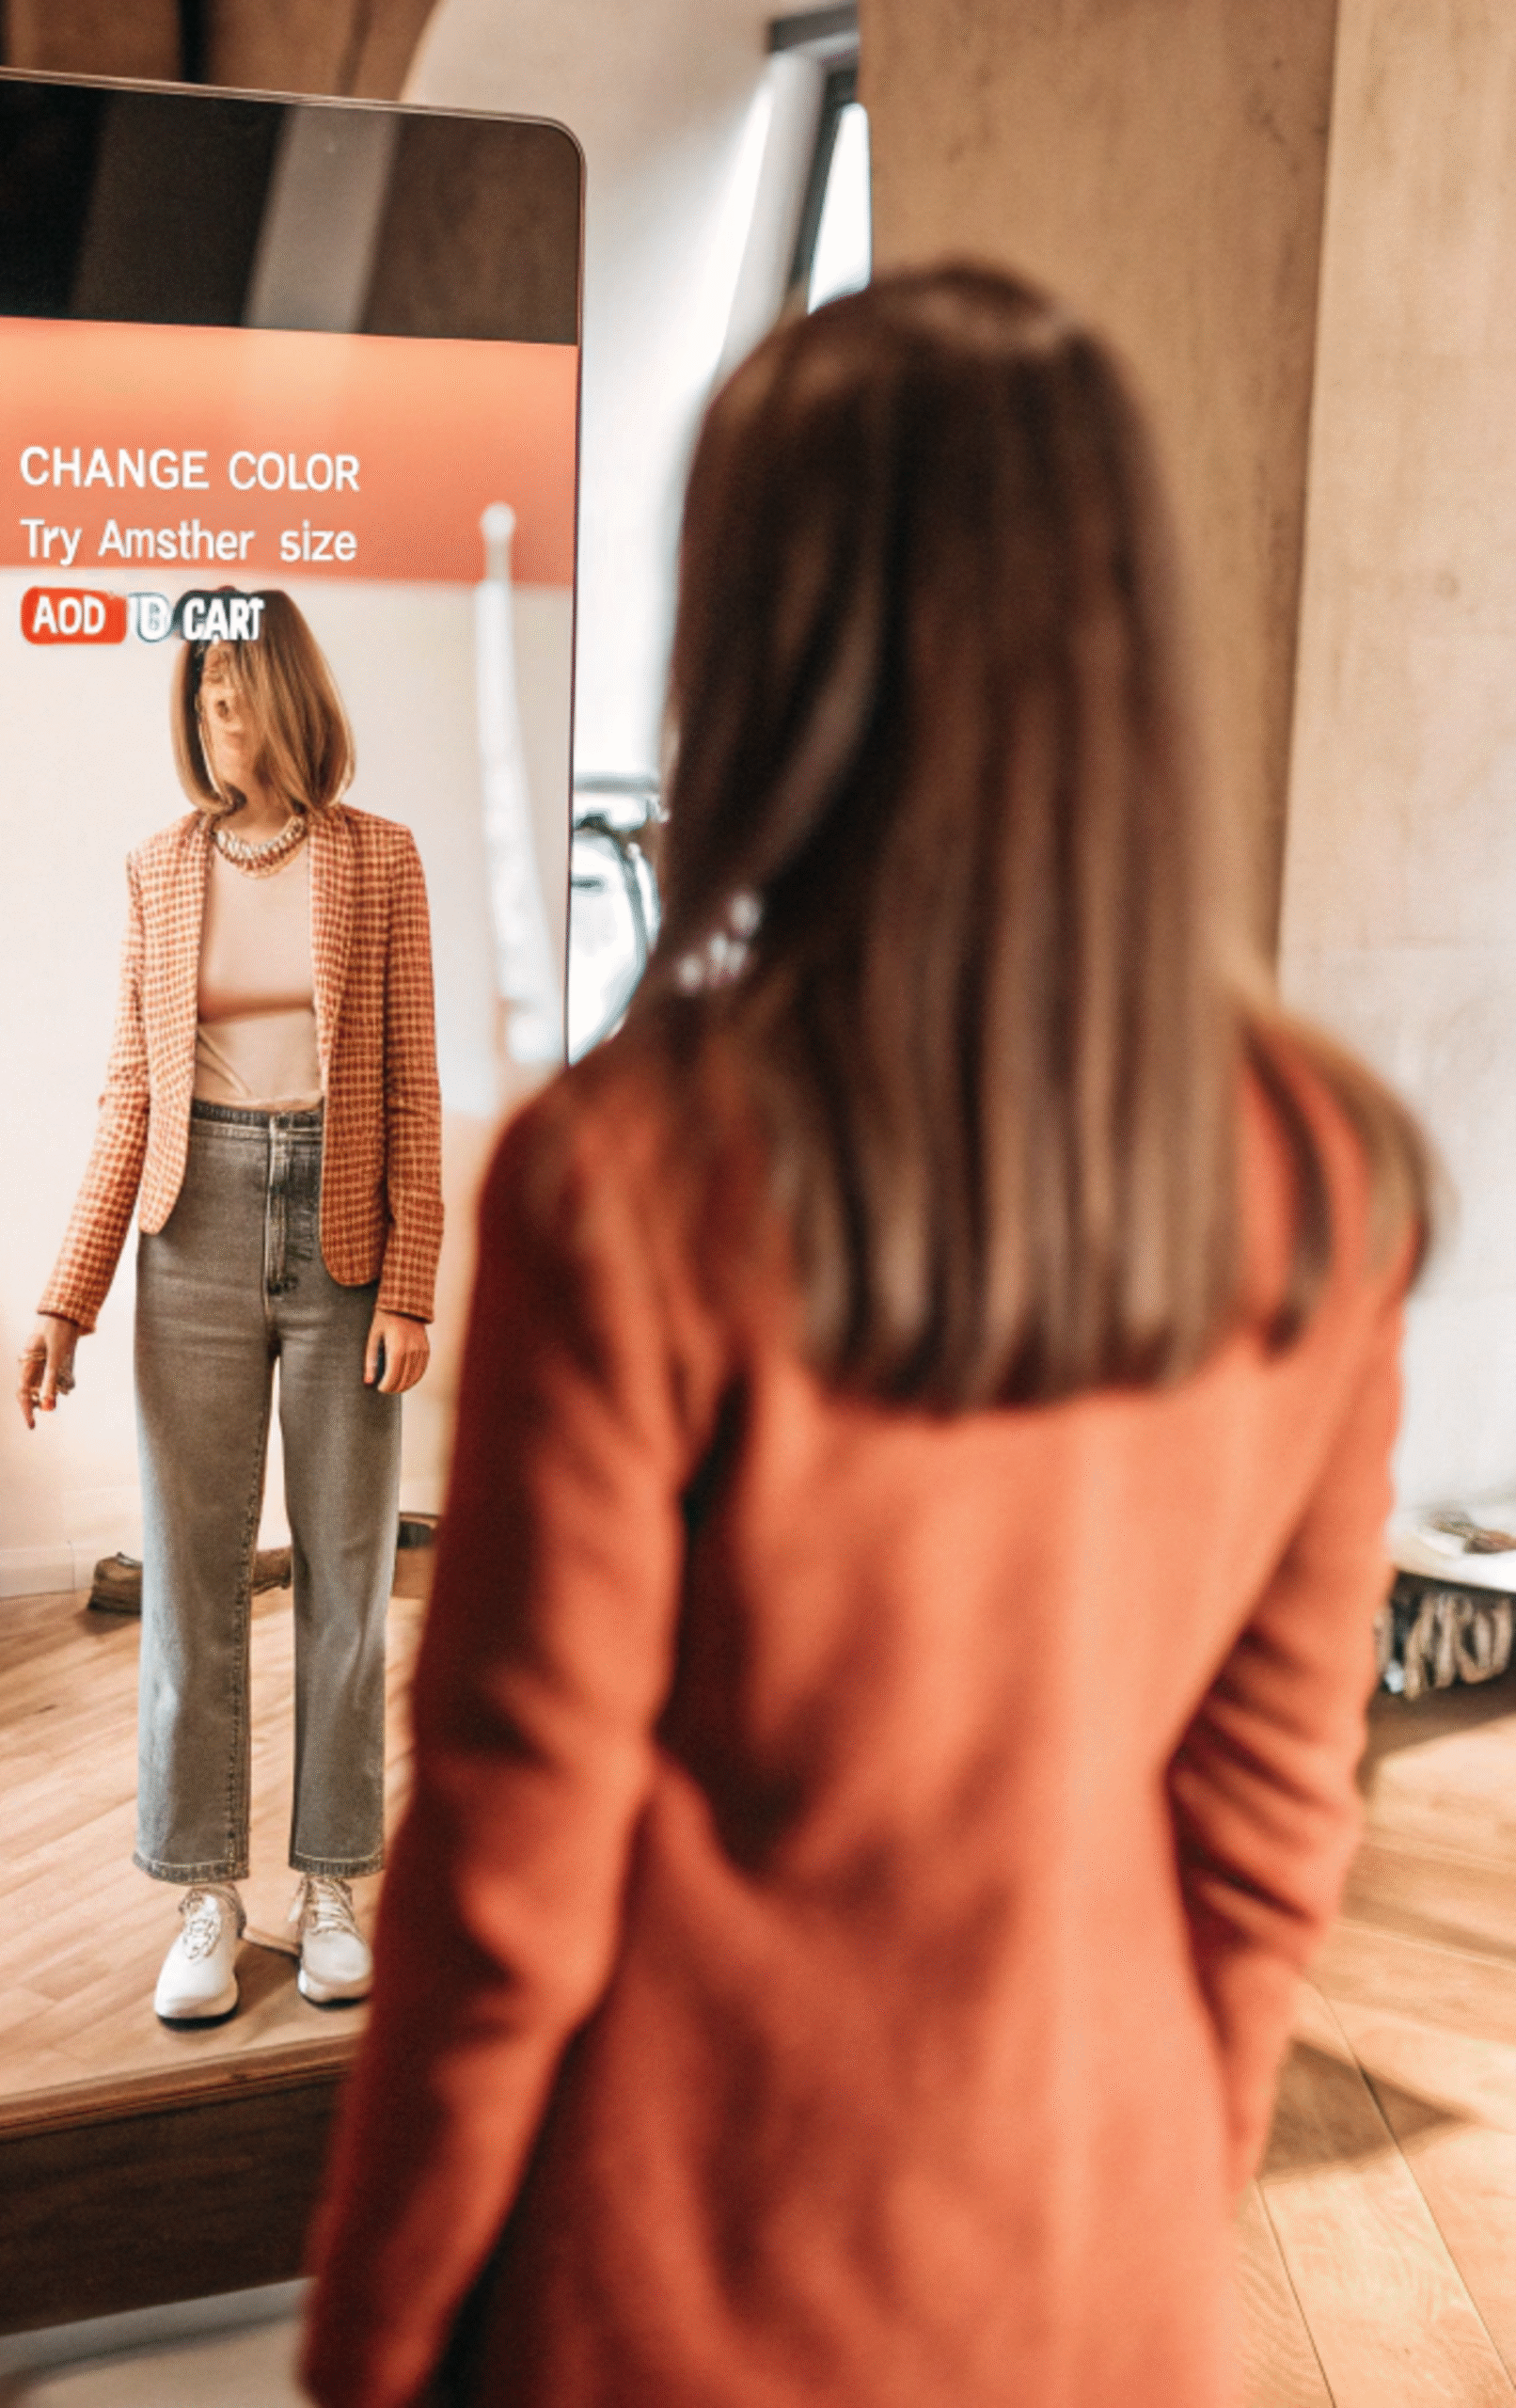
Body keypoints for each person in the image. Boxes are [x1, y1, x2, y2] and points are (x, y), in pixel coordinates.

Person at [299, 267, 1429, 2408]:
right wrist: (1143, 2204)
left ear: (757, 647)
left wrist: (365, 2346)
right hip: (1097, 2275)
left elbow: (505, 1881)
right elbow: (1271, 1819)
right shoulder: (1319, 1169)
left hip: (672, 2293)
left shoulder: (625, 1185)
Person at [20, 589, 444, 2023]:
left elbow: (414, 1086)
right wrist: (66, 1300)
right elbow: (130, 1088)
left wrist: (414, 1285)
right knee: (193, 1577)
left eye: (242, 691)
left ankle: (329, 1879)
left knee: (343, 1573)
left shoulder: (382, 861)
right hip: (191, 1222)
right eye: (203, 694)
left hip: (341, 1221)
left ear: (290, 697)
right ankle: (207, 1891)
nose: (222, 716)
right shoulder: (157, 869)